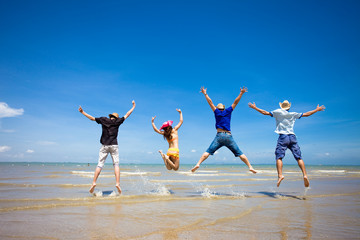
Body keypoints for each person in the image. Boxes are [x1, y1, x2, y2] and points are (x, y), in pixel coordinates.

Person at [248, 100, 325, 187]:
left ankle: (280, 175)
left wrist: (255, 108)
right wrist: (316, 110)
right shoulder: (293, 114)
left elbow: (264, 112)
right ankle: (305, 175)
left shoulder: (277, 112)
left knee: (279, 157)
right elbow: (307, 114)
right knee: (299, 157)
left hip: (283, 137)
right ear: (289, 107)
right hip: (292, 137)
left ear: (282, 106)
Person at [191, 87, 257, 174]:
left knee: (208, 151)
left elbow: (210, 102)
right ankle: (250, 167)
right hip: (228, 136)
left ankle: (198, 164)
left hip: (219, 136)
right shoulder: (228, 111)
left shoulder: (216, 112)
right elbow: (235, 102)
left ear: (217, 108)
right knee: (240, 153)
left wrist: (205, 93)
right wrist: (241, 93)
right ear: (224, 108)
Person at [78, 100, 136, 194]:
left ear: (110, 116)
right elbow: (127, 114)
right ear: (116, 117)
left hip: (104, 145)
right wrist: (133, 106)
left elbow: (92, 118)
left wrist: (82, 112)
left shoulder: (104, 119)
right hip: (114, 145)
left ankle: (93, 183)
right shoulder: (118, 121)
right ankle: (117, 183)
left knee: (100, 164)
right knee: (116, 164)